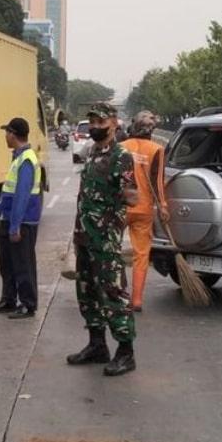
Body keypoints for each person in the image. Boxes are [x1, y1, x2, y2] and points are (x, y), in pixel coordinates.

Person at [67, 103, 139, 377]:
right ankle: (97, 345)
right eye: (92, 122)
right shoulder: (93, 153)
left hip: (105, 238)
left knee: (112, 291)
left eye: (101, 122)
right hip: (84, 234)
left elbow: (131, 195)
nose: (95, 126)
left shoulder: (121, 156)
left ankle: (125, 351)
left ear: (114, 123)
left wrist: (121, 199)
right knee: (86, 290)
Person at [0, 117, 42, 320]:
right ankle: (8, 300)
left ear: (12, 134)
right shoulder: (17, 157)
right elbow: (9, 190)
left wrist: (15, 226)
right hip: (8, 218)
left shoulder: (27, 159)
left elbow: (22, 195)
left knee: (23, 263)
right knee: (7, 264)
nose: (5, 136)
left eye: (6, 132)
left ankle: (28, 304)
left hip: (22, 222)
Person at [121, 111, 169, 312]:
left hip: (121, 207)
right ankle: (137, 299)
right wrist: (163, 206)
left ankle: (118, 291)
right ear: (152, 131)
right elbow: (158, 181)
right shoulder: (157, 149)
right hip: (144, 209)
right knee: (141, 255)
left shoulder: (121, 148)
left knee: (111, 249)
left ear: (133, 127)